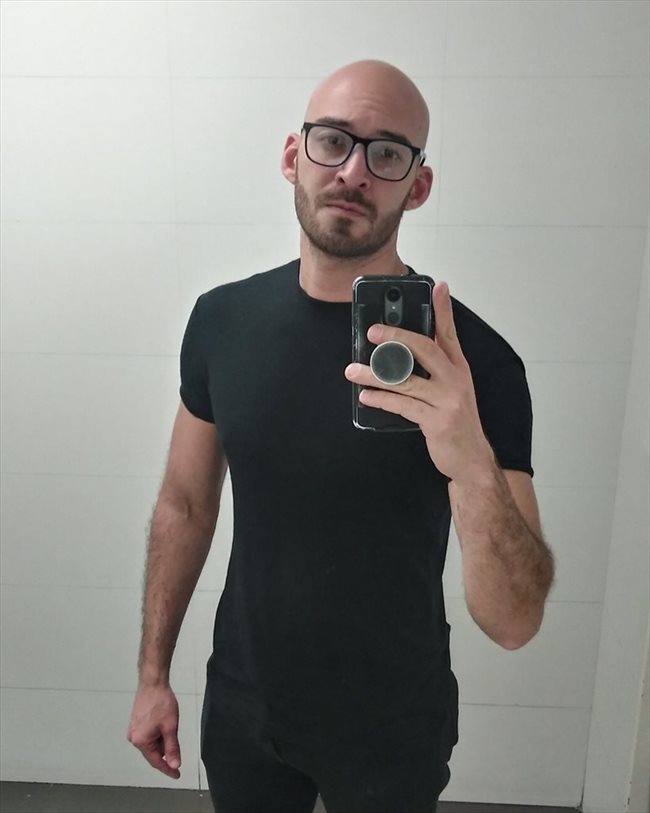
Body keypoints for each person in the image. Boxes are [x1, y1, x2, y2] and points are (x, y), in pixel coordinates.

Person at [127, 59, 555, 813]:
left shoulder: (476, 362)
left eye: (387, 153)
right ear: (293, 156)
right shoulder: (222, 321)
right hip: (245, 708)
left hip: (395, 724)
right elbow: (184, 506)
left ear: (417, 186)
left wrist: (471, 463)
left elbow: (514, 621)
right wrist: (152, 674)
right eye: (333, 140)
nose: (354, 171)